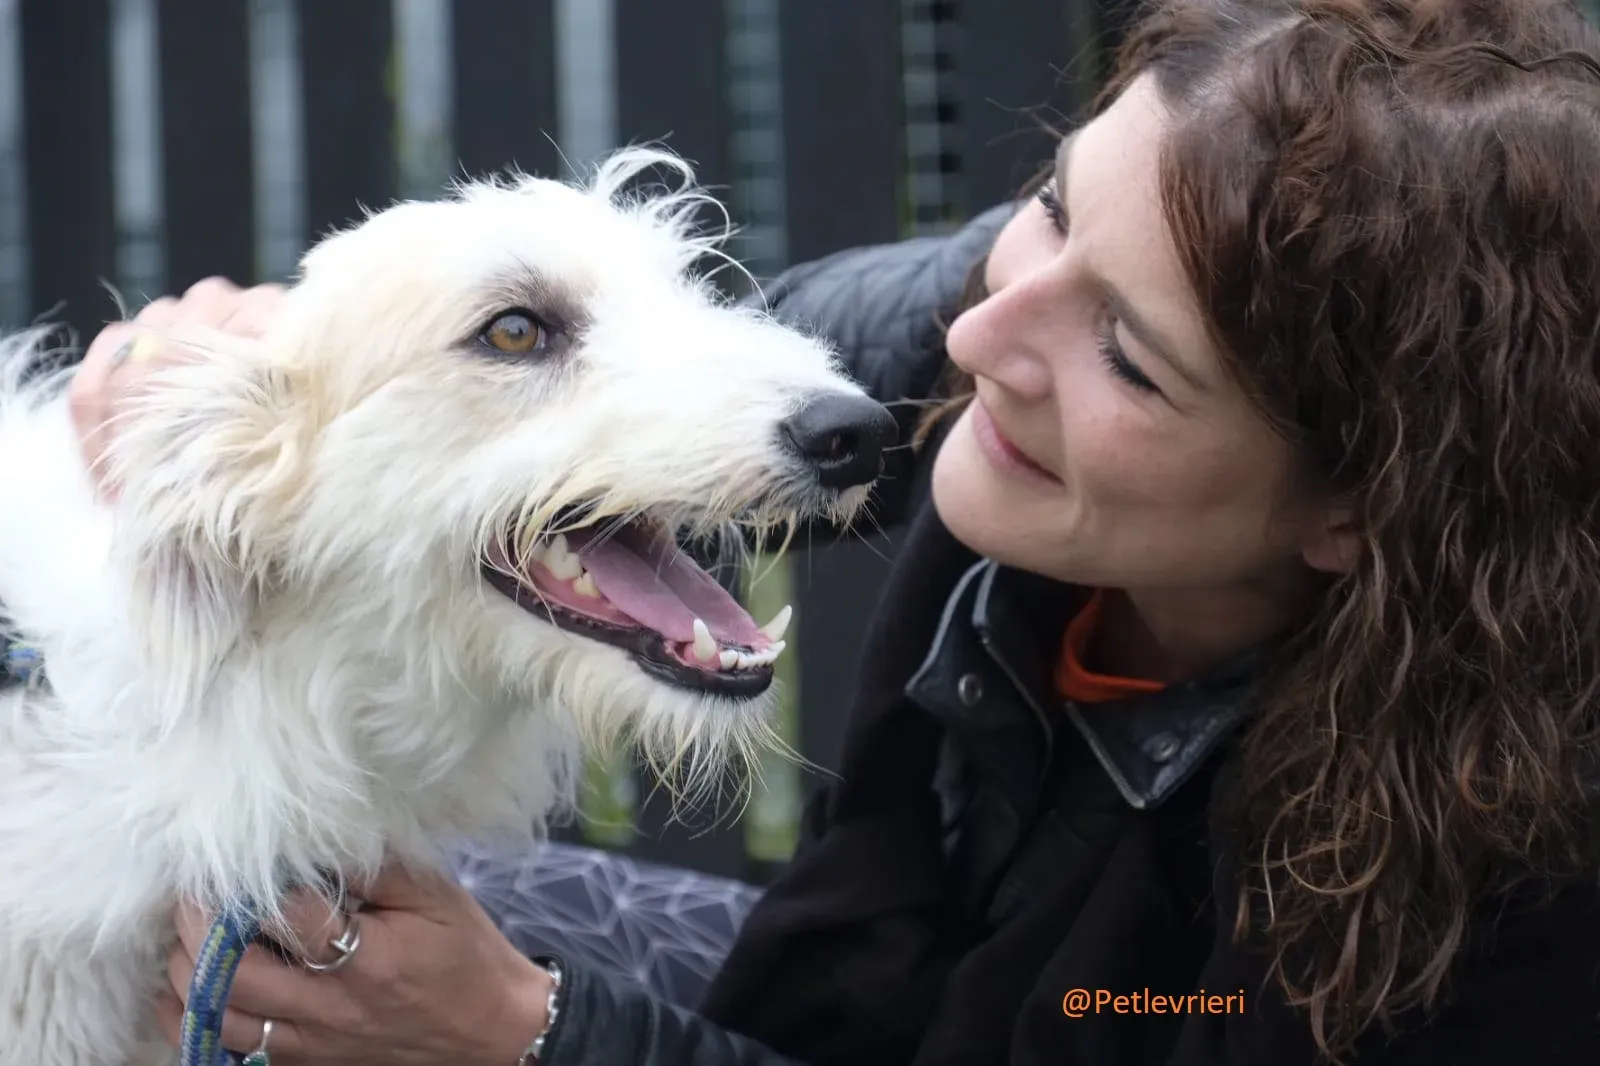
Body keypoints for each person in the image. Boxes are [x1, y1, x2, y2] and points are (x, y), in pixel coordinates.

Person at [63, 0, 1600, 1061]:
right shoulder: (1027, 336)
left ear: (1352, 504)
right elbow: (755, 385)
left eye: (1128, 354)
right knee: (329, 917)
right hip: (873, 981)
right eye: (1050, 208)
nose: (988, 333)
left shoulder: (1490, 933)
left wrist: (535, 1039)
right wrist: (268, 374)